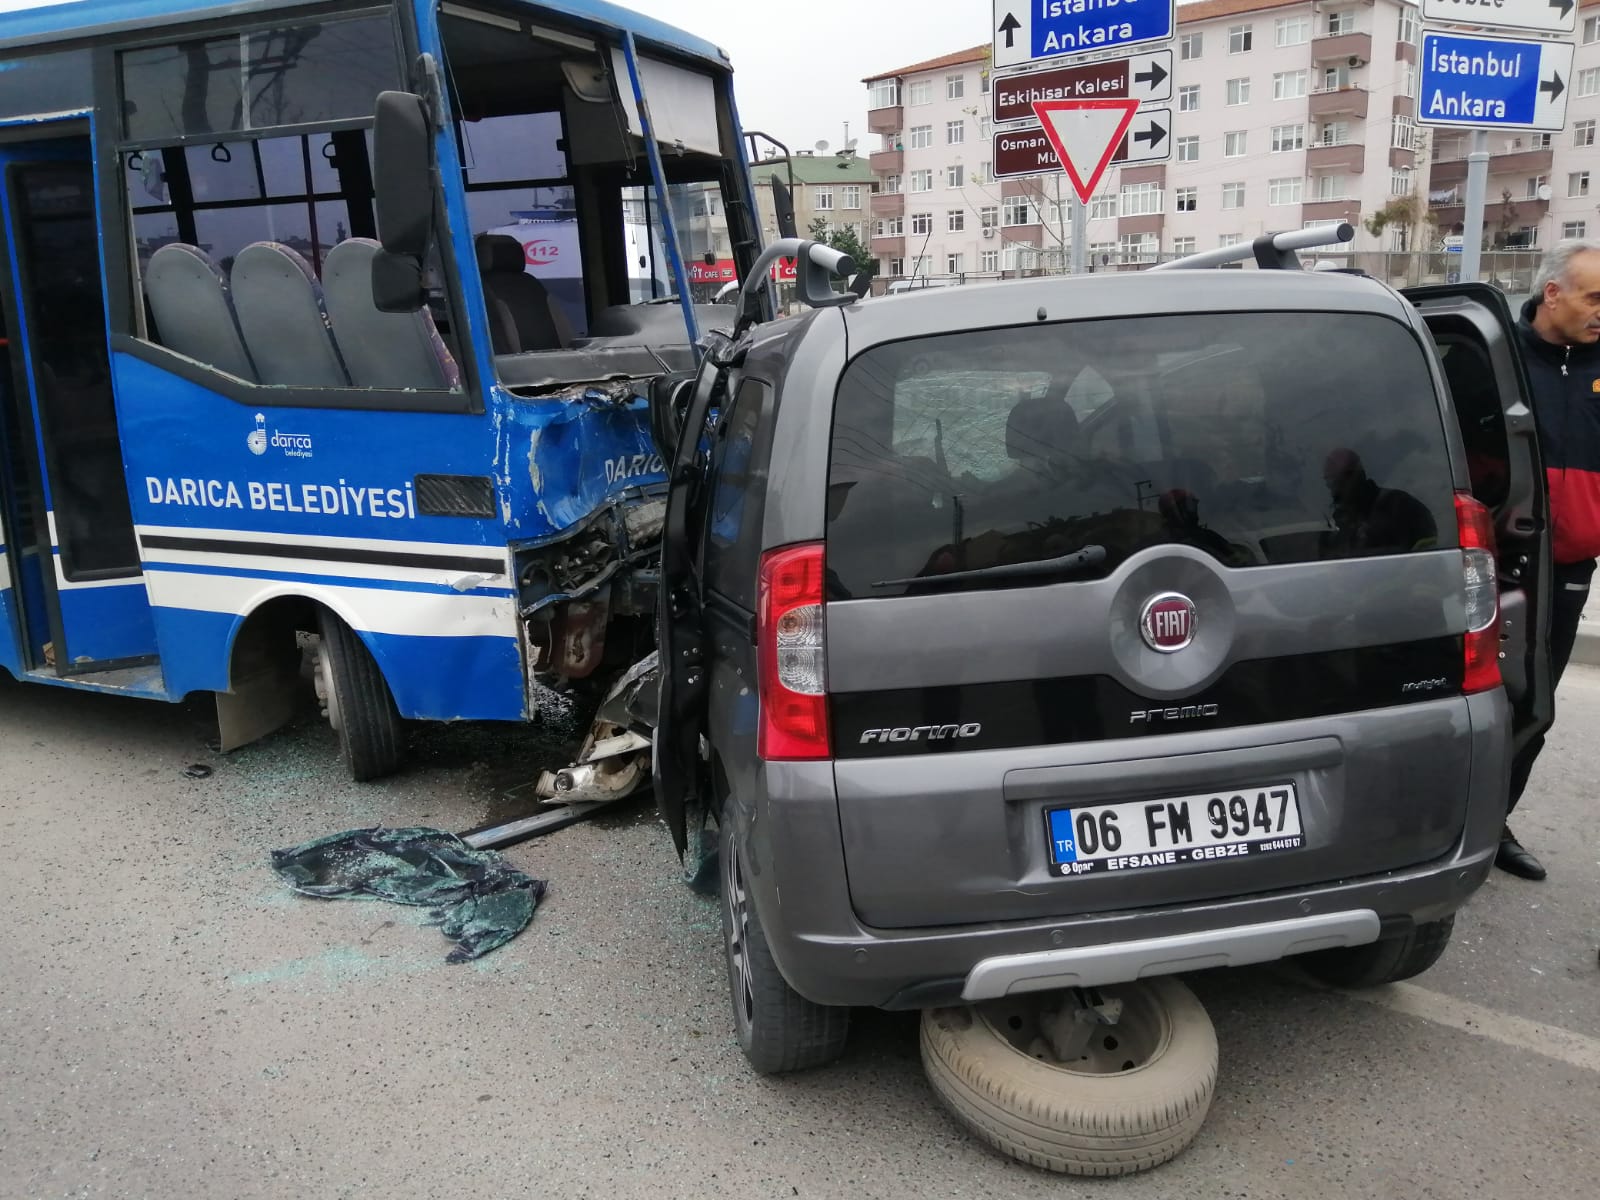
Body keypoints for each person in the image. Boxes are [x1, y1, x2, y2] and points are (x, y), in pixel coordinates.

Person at [1500, 238, 1600, 881]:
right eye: (1594, 297)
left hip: (1567, 569)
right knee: (1479, 704)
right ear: (1553, 293)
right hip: (1494, 562)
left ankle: (1493, 823)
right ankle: (1440, 821)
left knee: (1536, 705)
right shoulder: (1498, 358)